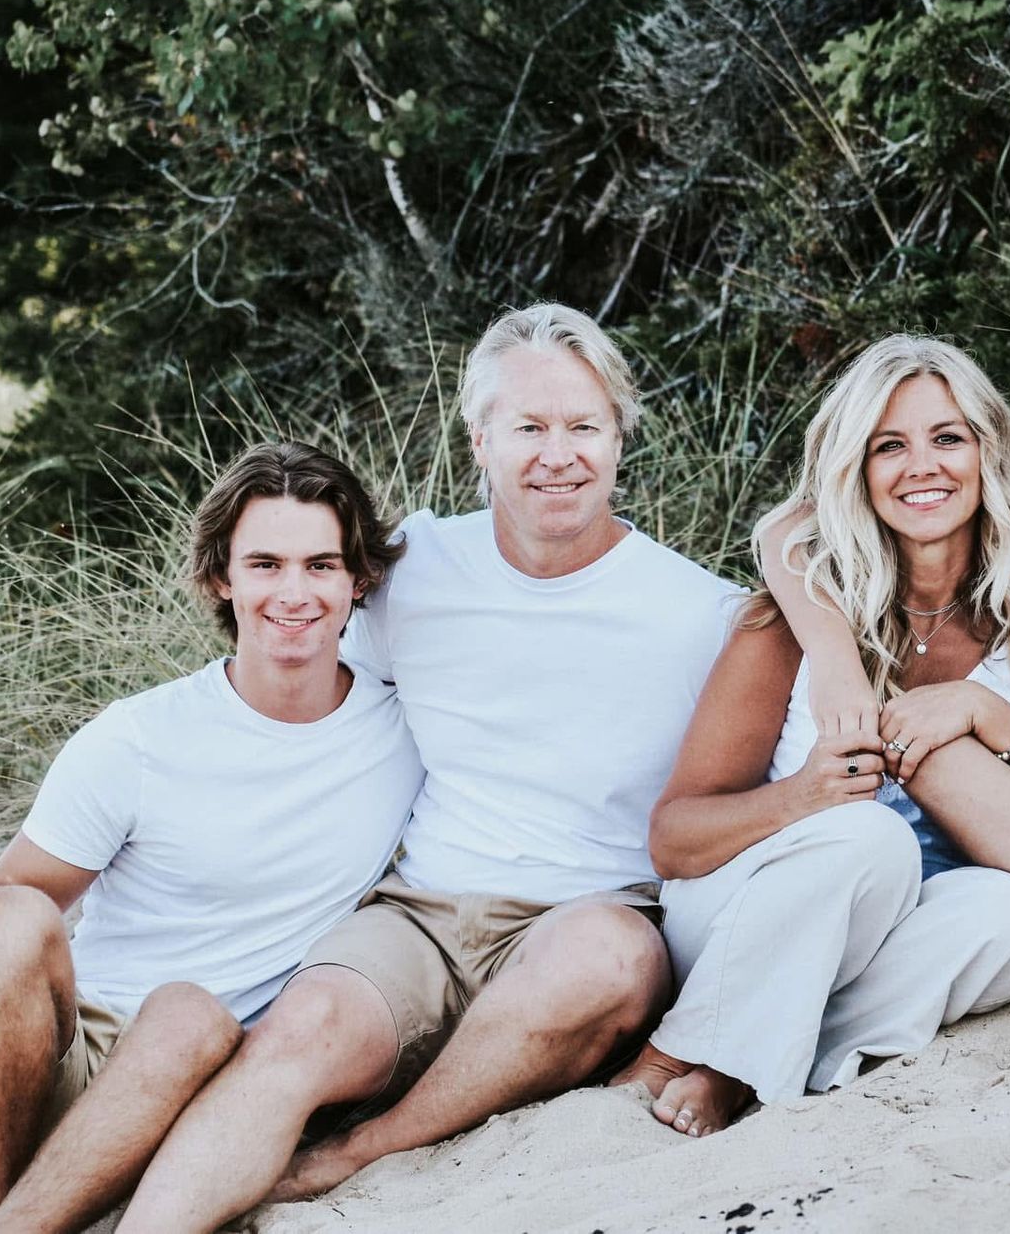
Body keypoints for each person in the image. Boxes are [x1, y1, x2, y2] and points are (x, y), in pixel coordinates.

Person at [118, 304, 739, 1231]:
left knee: (606, 958)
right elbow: (310, 705)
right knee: (299, 1035)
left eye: (583, 426)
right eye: (528, 427)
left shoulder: (700, 612)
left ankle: (363, 1148)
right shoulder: (413, 570)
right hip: (420, 913)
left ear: (620, 437)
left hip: (591, 915)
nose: (556, 453)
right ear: (480, 437)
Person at [612, 335, 1010, 1138]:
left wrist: (990, 711)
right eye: (888, 446)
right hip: (752, 914)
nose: (922, 466)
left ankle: (753, 1052)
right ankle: (712, 1057)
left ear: (986, 453)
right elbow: (674, 840)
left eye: (947, 437)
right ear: (856, 472)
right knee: (869, 838)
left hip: (904, 939)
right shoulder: (790, 623)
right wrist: (805, 796)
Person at [0, 441, 421, 1233]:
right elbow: (12, 904)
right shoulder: (139, 738)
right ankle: (3, 1215)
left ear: (359, 579)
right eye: (265, 564)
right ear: (223, 574)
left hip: (222, 1093)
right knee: (6, 924)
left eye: (321, 564)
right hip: (86, 1061)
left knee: (190, 1014)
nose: (295, 591)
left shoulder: (405, 729)